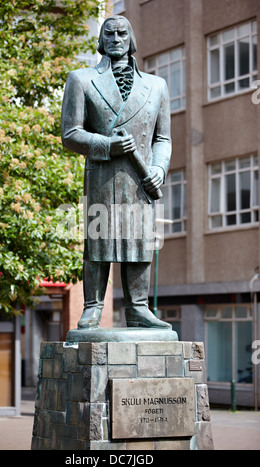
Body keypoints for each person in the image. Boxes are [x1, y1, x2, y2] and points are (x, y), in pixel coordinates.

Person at [61, 15, 172, 329]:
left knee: (139, 242)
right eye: (108, 34)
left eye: (122, 33)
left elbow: (162, 138)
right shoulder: (81, 79)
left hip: (141, 180)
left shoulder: (156, 85)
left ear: (131, 37)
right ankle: (93, 306)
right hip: (103, 177)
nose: (115, 38)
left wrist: (159, 169)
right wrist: (108, 145)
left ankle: (138, 308)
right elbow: (70, 134)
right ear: (101, 39)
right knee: (99, 241)